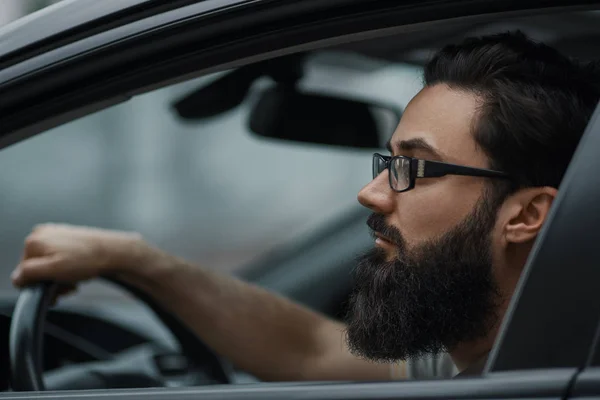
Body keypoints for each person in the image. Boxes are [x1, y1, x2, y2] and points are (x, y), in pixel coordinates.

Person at [11, 31, 600, 381]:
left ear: (525, 215)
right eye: (386, 163)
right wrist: (136, 260)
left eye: (411, 169)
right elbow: (311, 349)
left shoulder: (558, 373)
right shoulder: (482, 352)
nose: (371, 194)